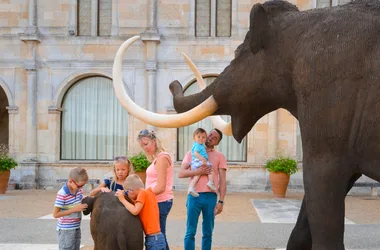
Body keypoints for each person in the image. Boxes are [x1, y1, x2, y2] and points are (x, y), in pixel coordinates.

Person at [178, 128, 227, 250]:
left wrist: (221, 201)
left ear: (217, 143)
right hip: (194, 197)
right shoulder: (192, 152)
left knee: (208, 233)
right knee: (190, 232)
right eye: (210, 134)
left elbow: (222, 181)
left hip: (210, 197)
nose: (210, 137)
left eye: (215, 138)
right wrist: (198, 171)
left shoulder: (220, 156)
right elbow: (181, 173)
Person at [137, 129, 174, 250]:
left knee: (158, 237)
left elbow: (161, 187)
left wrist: (143, 194)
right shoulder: (158, 158)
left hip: (160, 201)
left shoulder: (162, 158)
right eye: (142, 146)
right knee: (159, 236)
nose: (145, 148)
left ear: (154, 141)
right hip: (157, 201)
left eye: (146, 144)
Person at [115, 174, 166, 250]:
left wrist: (122, 199)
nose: (127, 195)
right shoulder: (149, 192)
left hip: (154, 239)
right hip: (157, 237)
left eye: (127, 193)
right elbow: (137, 203)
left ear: (131, 191)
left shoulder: (142, 193)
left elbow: (135, 211)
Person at [53, 167, 89, 250]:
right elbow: (55, 214)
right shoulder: (62, 194)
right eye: (79, 186)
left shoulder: (78, 191)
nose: (81, 188)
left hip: (76, 227)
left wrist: (85, 198)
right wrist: (75, 209)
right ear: (70, 181)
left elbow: (78, 198)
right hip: (65, 230)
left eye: (83, 186)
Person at [188, 128, 216, 197]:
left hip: (196, 163)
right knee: (211, 170)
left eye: (203, 137)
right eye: (199, 137)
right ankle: (210, 182)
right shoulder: (198, 145)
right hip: (199, 161)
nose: (201, 139)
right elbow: (195, 153)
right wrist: (203, 159)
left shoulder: (198, 145)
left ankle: (191, 188)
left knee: (197, 176)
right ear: (194, 137)